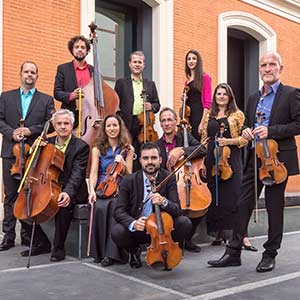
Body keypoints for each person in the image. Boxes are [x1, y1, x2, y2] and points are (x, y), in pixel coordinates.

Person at [208, 52, 300, 272]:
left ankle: (270, 254)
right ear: (259, 70)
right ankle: (233, 252)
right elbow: (246, 125)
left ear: (280, 68)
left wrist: (271, 130)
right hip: (254, 158)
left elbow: (298, 124)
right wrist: (247, 130)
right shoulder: (252, 98)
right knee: (242, 204)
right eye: (263, 65)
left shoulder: (291, 94)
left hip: (276, 160)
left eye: (271, 65)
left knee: (273, 207)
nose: (267, 68)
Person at [20, 109, 90, 261]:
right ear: (53, 125)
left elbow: (77, 174)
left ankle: (58, 248)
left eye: (66, 123)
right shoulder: (46, 143)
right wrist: (33, 150)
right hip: (46, 184)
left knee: (62, 205)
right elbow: (33, 166)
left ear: (72, 125)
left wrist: (68, 193)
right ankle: (42, 243)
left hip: (71, 188)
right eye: (59, 123)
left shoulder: (81, 147)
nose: (63, 127)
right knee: (21, 205)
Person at [0, 61, 54, 251]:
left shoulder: (46, 100)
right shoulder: (6, 97)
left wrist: (30, 130)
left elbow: (51, 124)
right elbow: (0, 120)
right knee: (10, 195)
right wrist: (11, 133)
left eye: (33, 72)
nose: (29, 75)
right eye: (26, 71)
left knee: (29, 194)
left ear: (37, 76)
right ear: (20, 73)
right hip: (10, 153)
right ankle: (8, 236)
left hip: (33, 154)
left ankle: (26, 236)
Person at [111, 142, 192, 268]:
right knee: (117, 231)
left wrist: (164, 201)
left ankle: (167, 248)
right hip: (141, 228)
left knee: (184, 222)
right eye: (146, 158)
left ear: (160, 159)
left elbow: (177, 209)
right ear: (140, 160)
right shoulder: (129, 180)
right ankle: (134, 251)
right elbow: (118, 211)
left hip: (163, 229)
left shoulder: (168, 178)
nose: (150, 162)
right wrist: (134, 223)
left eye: (154, 158)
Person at [201, 83, 248, 245]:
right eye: (218, 94)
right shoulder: (209, 115)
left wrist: (229, 141)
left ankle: (240, 236)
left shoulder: (237, 114)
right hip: (212, 159)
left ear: (230, 97)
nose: (221, 96)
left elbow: (245, 139)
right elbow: (204, 140)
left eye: (224, 94)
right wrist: (203, 162)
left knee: (234, 196)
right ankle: (219, 234)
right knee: (216, 197)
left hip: (231, 158)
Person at [156, 107, 207, 252]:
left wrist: (183, 150)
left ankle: (188, 239)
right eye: (163, 120)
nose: (166, 123)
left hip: (187, 179)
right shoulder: (157, 145)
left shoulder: (185, 137)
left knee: (199, 204)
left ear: (175, 122)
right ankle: (174, 240)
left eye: (169, 120)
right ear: (160, 123)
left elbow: (203, 149)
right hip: (168, 185)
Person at [88, 114, 134, 267]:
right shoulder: (97, 149)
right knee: (100, 207)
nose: (112, 128)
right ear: (104, 129)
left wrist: (123, 163)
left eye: (115, 125)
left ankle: (112, 254)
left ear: (120, 128)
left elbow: (129, 175)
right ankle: (100, 252)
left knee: (116, 207)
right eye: (109, 126)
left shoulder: (128, 149)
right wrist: (91, 191)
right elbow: (93, 172)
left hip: (121, 188)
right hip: (102, 187)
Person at [114, 51, 160, 168]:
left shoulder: (150, 84)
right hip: (127, 123)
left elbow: (157, 105)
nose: (137, 64)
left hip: (145, 125)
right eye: (135, 62)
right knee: (126, 151)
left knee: (143, 153)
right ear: (130, 64)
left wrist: (151, 106)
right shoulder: (121, 83)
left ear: (144, 65)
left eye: (140, 62)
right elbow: (116, 105)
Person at [54, 35, 93, 128]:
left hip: (90, 114)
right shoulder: (63, 69)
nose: (80, 50)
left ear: (87, 51)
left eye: (83, 47)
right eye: (77, 47)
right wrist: (71, 95)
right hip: (69, 115)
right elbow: (57, 92)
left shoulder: (93, 70)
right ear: (72, 50)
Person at [184, 50, 212, 140]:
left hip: (199, 115)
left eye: (194, 59)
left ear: (198, 61)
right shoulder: (186, 82)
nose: (191, 61)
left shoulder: (205, 77)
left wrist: (202, 122)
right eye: (189, 59)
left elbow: (208, 102)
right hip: (189, 117)